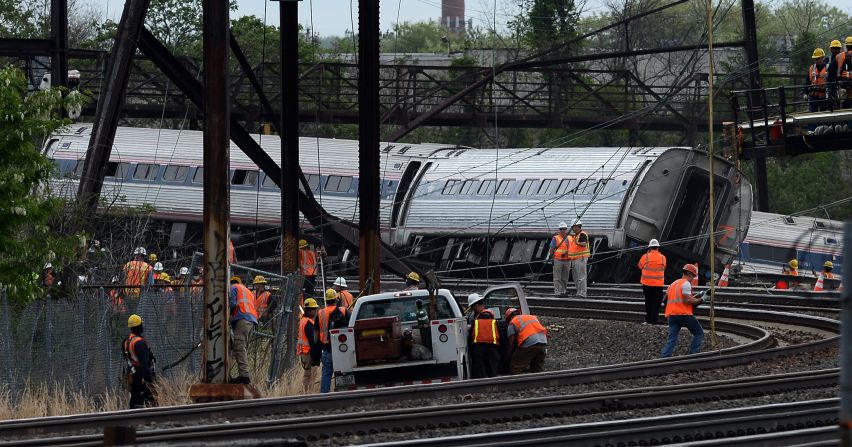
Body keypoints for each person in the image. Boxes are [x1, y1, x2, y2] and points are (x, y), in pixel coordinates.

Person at [660, 264, 706, 358]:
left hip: (672, 316)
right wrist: (703, 299)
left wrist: (697, 295)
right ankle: (693, 355)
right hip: (684, 315)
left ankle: (664, 357)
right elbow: (687, 300)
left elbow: (665, 300)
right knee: (699, 333)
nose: (693, 278)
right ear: (689, 273)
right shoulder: (686, 284)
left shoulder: (672, 284)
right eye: (693, 275)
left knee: (672, 338)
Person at [315, 289, 349, 393]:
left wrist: (316, 349)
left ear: (326, 300)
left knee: (326, 373)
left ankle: (324, 398)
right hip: (343, 349)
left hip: (326, 349)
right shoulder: (344, 311)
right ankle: (345, 393)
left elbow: (316, 336)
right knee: (344, 373)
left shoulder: (320, 313)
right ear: (336, 299)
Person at [229, 276, 258, 384]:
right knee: (240, 347)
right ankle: (239, 374)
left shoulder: (233, 287)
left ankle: (244, 375)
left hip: (242, 319)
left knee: (239, 347)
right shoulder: (248, 291)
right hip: (251, 321)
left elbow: (232, 304)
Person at [123, 314, 156, 409]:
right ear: (139, 326)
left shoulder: (128, 341)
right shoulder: (139, 343)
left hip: (133, 374)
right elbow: (144, 364)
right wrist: (149, 379)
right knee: (149, 400)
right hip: (141, 376)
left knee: (135, 399)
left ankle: (133, 418)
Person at [504, 308, 547, 374]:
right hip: (543, 342)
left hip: (529, 344)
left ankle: (516, 383)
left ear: (509, 317)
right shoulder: (532, 317)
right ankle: (539, 383)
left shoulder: (512, 322)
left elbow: (511, 342)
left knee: (515, 365)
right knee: (537, 367)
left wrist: (508, 355)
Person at [467, 293, 500, 378]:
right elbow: (500, 335)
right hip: (492, 347)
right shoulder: (493, 319)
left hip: (478, 347)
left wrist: (470, 349)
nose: (472, 309)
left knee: (480, 372)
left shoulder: (476, 321)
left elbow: (470, 336)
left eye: (472, 307)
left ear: (476, 305)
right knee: (493, 371)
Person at [638, 239, 667, 325]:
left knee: (648, 301)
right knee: (656, 303)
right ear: (658, 248)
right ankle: (654, 321)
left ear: (649, 248)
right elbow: (664, 268)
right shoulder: (663, 258)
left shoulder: (645, 257)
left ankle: (648, 320)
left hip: (646, 284)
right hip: (658, 284)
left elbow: (640, 266)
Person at [298, 298, 321, 394]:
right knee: (309, 376)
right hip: (309, 353)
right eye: (314, 309)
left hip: (305, 352)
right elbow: (312, 341)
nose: (316, 311)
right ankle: (307, 394)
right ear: (310, 310)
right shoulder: (308, 323)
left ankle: (307, 393)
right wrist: (317, 356)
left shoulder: (303, 320)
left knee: (308, 375)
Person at [804, 48, 829, 130]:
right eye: (815, 58)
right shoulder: (811, 68)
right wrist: (805, 93)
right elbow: (807, 81)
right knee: (812, 117)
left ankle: (823, 131)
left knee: (824, 116)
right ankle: (811, 132)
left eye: (818, 58)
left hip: (823, 97)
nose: (816, 60)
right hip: (813, 97)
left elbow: (832, 81)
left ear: (822, 58)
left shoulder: (828, 68)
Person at [548, 222, 572, 297]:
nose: (562, 230)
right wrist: (552, 258)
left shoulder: (570, 238)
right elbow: (551, 249)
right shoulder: (555, 238)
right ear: (559, 230)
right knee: (557, 277)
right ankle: (557, 292)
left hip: (567, 260)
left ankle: (563, 291)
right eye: (561, 229)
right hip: (558, 260)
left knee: (565, 277)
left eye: (564, 229)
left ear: (566, 229)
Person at [568, 220, 590, 298]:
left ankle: (582, 293)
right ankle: (579, 292)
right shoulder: (576, 235)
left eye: (572, 227)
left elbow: (584, 244)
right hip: (575, 258)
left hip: (581, 258)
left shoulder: (582, 234)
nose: (572, 229)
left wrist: (578, 243)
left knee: (581, 277)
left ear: (577, 226)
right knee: (576, 277)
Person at [827, 39, 843, 104]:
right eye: (834, 48)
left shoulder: (844, 58)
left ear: (840, 49)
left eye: (837, 48)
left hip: (841, 83)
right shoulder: (828, 60)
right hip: (831, 84)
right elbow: (826, 72)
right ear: (831, 49)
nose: (836, 50)